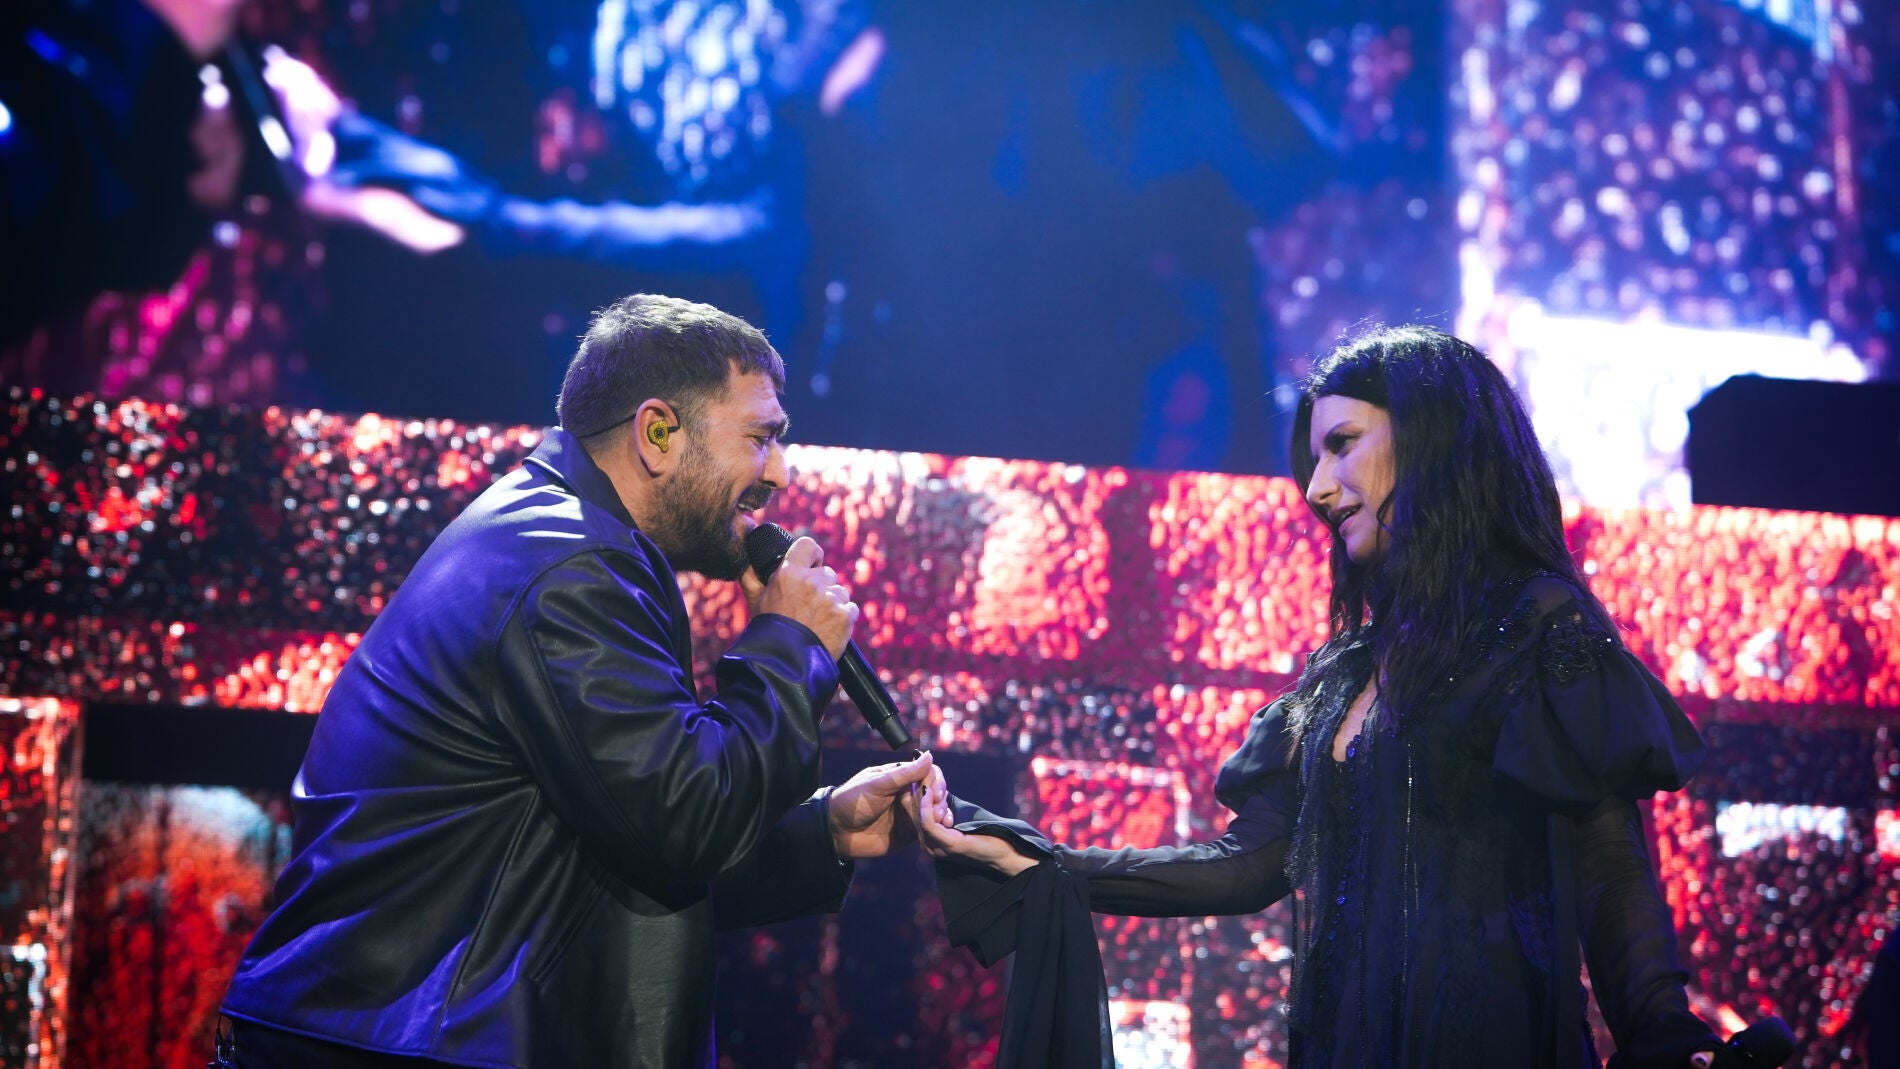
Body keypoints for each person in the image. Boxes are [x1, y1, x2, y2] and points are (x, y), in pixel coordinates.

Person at [916, 325, 1726, 1068]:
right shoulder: (1343, 673)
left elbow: (1607, 861)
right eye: (1314, 459)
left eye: (1343, 444)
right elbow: (1248, 865)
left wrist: (1664, 1028)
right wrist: (1044, 864)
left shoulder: (1538, 625)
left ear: (1432, 437)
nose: (1318, 488)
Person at [216, 293, 944, 1068]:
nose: (780, 472)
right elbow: (684, 818)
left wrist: (820, 830)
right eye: (761, 438)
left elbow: (624, 846)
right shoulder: (569, 565)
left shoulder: (562, 540)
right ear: (658, 432)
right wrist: (790, 644)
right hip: (398, 1042)